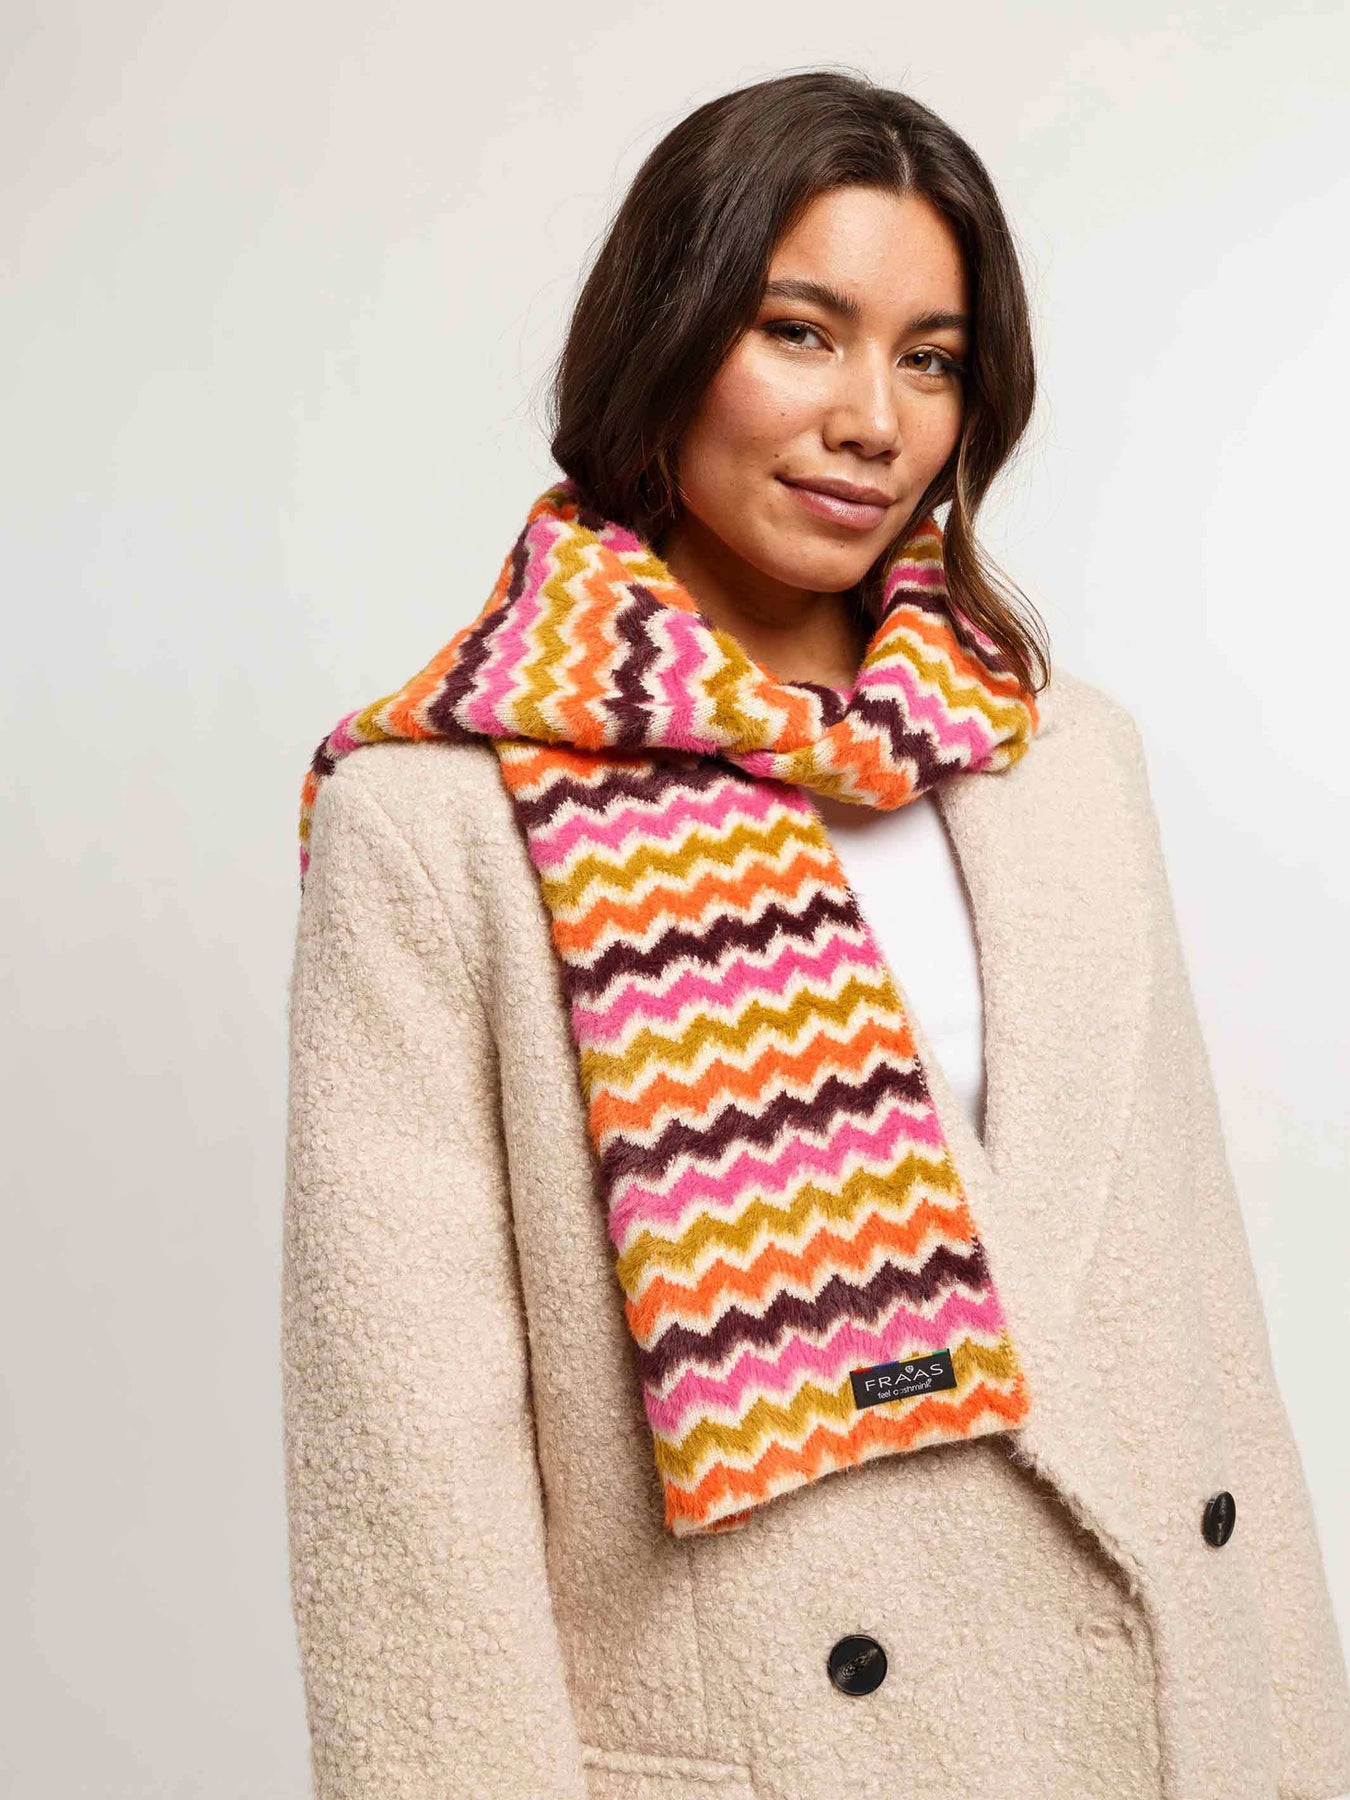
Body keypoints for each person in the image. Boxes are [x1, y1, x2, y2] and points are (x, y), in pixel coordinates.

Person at [281, 69, 1350, 1800]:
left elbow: (1194, 1332)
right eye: (800, 332)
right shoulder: (442, 819)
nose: (872, 420)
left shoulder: (1056, 757)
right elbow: (408, 1481)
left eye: (930, 360)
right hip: (776, 1752)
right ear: (664, 340)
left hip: (1158, 1727)